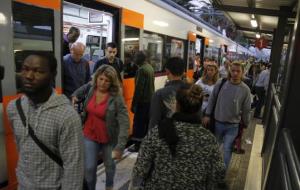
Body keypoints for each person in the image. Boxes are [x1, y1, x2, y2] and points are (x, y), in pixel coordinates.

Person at [7, 52, 84, 189]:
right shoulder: (14, 108)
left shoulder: (67, 116)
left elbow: (74, 168)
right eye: (25, 69)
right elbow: (22, 148)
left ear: (53, 75)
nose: (29, 76)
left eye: (38, 71)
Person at [130, 84, 225, 190]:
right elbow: (218, 173)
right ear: (199, 107)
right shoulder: (208, 139)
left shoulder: (158, 132)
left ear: (177, 105)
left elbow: (140, 169)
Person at [72, 65, 130, 190]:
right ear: (96, 78)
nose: (102, 83)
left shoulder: (116, 97)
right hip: (89, 134)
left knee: (109, 166)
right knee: (89, 168)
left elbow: (124, 122)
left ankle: (109, 185)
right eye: (101, 79)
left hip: (108, 137)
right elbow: (79, 91)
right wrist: (75, 96)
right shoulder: (92, 88)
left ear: (111, 83)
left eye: (107, 80)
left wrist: (120, 146)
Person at [203, 61, 251, 169]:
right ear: (230, 70)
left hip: (233, 126)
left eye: (238, 71)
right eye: (233, 70)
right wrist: (207, 114)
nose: (235, 73)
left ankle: (222, 174)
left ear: (243, 72)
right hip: (218, 122)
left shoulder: (245, 90)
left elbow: (246, 109)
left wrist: (246, 123)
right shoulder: (221, 83)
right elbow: (212, 99)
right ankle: (210, 170)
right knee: (215, 147)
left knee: (227, 149)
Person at [148, 57, 185, 129]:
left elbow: (154, 122)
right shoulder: (192, 90)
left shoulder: (159, 94)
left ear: (167, 71)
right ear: (183, 71)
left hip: (168, 135)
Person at [129, 51, 155, 152]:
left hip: (142, 102)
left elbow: (139, 89)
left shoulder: (141, 70)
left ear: (140, 59)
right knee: (145, 123)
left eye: (135, 58)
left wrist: (134, 104)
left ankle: (137, 146)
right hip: (149, 101)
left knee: (138, 123)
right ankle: (144, 144)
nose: (134, 60)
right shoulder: (150, 67)